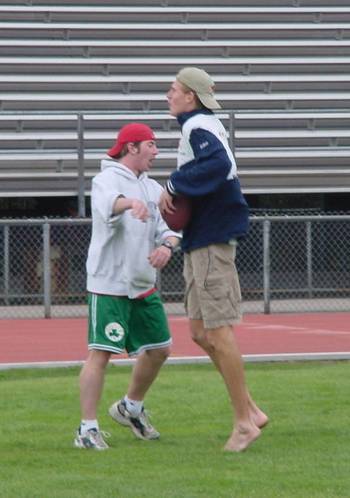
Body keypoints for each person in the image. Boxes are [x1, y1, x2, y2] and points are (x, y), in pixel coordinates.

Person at [159, 67, 268, 452]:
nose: (168, 95)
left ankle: (242, 424)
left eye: (173, 89)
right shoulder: (199, 124)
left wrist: (173, 183)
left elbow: (218, 165)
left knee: (219, 332)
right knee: (200, 332)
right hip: (200, 238)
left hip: (212, 238)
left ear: (191, 96)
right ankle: (251, 410)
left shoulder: (199, 125)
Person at [74, 123, 181, 450]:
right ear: (132, 147)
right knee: (101, 354)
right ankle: (87, 430)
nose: (156, 151)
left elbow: (170, 229)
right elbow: (111, 203)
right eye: (151, 144)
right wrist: (127, 205)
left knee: (161, 349)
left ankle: (130, 407)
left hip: (143, 285)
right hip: (109, 285)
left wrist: (167, 246)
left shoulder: (152, 187)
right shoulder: (105, 179)